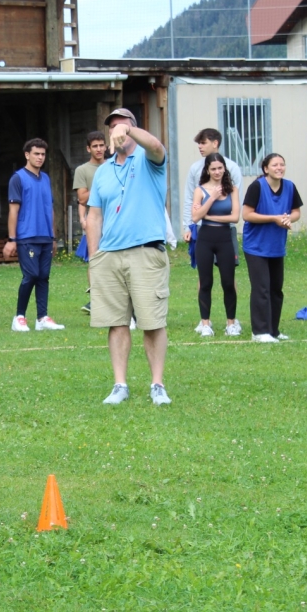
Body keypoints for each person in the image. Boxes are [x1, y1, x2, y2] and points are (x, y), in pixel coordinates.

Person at [86, 108, 172, 406]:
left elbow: (157, 146)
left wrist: (130, 131)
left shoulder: (149, 161)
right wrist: (94, 259)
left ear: (134, 129)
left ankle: (157, 384)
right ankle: (120, 384)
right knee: (116, 322)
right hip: (109, 256)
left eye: (122, 125)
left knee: (152, 322)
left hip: (146, 253)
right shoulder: (103, 171)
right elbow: (94, 217)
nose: (117, 131)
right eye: (112, 127)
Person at [3, 138, 64, 331]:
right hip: (26, 236)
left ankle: (42, 318)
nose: (40, 157)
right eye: (36, 154)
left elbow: (50, 208)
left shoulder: (46, 178)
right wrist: (12, 239)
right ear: (27, 155)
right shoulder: (18, 178)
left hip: (45, 236)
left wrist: (53, 236)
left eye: (43, 154)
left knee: (44, 276)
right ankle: (19, 317)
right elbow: (13, 210)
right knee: (31, 275)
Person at [241, 153, 302, 343]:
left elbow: (296, 212)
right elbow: (247, 214)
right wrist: (274, 218)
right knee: (261, 288)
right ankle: (259, 332)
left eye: (282, 165)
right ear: (266, 169)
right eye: (275, 165)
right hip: (256, 246)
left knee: (276, 289)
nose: (279, 168)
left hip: (276, 246)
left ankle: (273, 331)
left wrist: (287, 218)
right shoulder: (257, 187)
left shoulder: (290, 186)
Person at [191, 153, 241, 337]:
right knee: (205, 282)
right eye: (213, 169)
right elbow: (195, 217)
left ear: (224, 169)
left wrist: (209, 215)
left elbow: (235, 217)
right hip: (205, 238)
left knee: (228, 282)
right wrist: (211, 198)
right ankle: (205, 323)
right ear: (207, 170)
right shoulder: (200, 190)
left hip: (225, 237)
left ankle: (231, 323)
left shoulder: (232, 190)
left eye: (220, 168)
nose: (217, 171)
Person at [182, 128, 243, 245]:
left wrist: (227, 223)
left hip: (226, 228)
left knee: (227, 263)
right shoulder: (195, 168)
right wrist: (188, 227)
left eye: (203, 143)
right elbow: (189, 199)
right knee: (203, 262)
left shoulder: (232, 167)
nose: (199, 146)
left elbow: (236, 201)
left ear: (215, 143)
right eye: (198, 143)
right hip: (201, 227)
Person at [73, 131, 107, 314]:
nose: (99, 149)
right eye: (95, 146)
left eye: (102, 145)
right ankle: (95, 299)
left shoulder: (113, 165)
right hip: (94, 220)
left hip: (114, 220)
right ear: (88, 149)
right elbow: (82, 197)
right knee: (94, 259)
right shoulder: (82, 170)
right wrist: (103, 186)